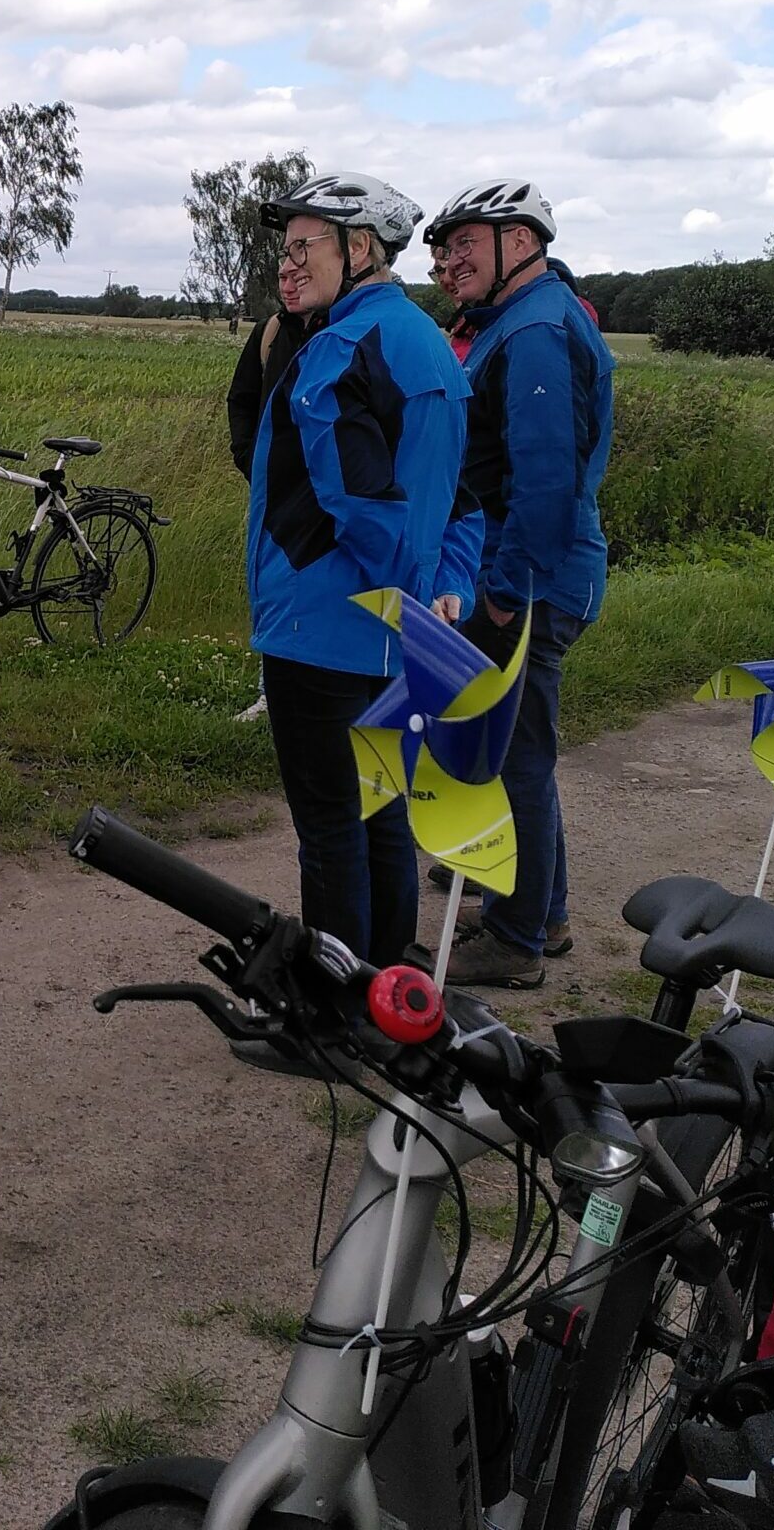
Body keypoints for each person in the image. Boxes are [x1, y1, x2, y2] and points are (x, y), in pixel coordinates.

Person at [246, 172, 468, 970]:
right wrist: (449, 589)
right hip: (400, 641)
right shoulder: (428, 343)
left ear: (362, 248)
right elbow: (468, 495)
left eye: (305, 247)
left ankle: (337, 1014)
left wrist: (409, 585)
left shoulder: (338, 348)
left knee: (331, 826)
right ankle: (391, 990)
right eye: (285, 249)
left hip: (325, 627)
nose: (288, 266)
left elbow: (361, 502)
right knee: (382, 819)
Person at [423, 178, 615, 988]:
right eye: (442, 245)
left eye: (466, 239)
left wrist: (504, 593)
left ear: (521, 240)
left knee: (516, 760)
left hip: (530, 577)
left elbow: (543, 482)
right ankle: (545, 910)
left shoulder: (536, 330)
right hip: (532, 571)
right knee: (520, 749)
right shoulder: (518, 320)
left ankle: (514, 940)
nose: (448, 257)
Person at [228, 256, 319, 722]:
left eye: (298, 276)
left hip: (328, 497)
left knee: (318, 591)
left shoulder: (342, 329)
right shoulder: (269, 333)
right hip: (273, 496)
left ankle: (312, 694)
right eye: (282, 277)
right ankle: (271, 694)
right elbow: (241, 399)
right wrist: (252, 462)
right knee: (272, 591)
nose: (289, 285)